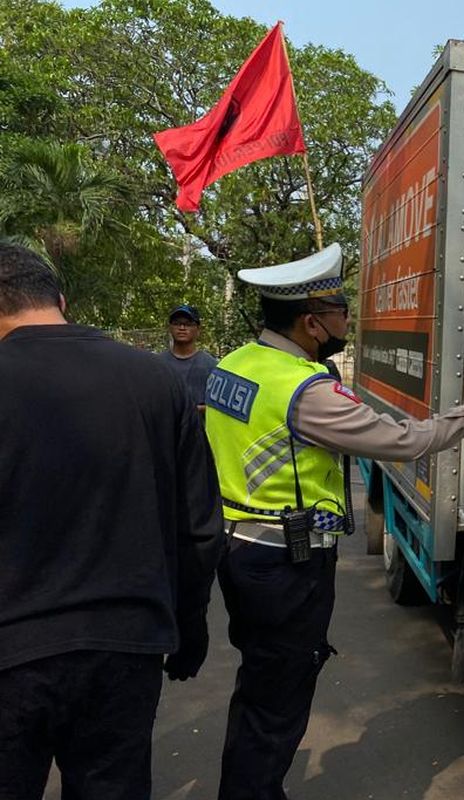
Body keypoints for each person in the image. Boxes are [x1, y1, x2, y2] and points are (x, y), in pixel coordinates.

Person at [207, 243, 464, 800]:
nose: (349, 322)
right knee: (279, 700)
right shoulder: (305, 391)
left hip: (240, 549)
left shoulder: (237, 364)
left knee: (259, 689)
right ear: (313, 322)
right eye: (342, 313)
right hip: (283, 563)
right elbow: (404, 440)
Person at [0, 242, 224, 799]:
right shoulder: (155, 380)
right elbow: (200, 527)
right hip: (126, 648)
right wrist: (189, 627)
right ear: (61, 299)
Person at [161, 303, 219, 416]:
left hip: (199, 430)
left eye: (188, 324)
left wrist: (191, 410)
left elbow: (218, 408)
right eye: (177, 323)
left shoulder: (211, 365)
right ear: (170, 328)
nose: (182, 328)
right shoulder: (159, 363)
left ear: (198, 329)